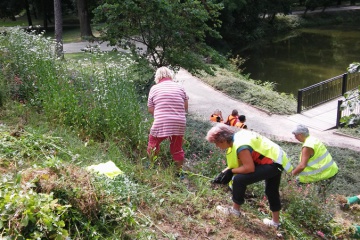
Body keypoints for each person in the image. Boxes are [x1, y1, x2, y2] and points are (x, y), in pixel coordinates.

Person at [206, 123, 293, 228]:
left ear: (223, 140)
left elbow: (249, 168)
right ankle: (275, 223)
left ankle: (235, 211)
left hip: (272, 163)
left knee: (239, 180)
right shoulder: (237, 137)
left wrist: (231, 172)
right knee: (271, 191)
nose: (217, 146)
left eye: (216, 143)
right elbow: (238, 163)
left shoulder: (241, 147)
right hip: (277, 159)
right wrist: (223, 173)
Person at [147, 66, 189, 172]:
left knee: (153, 143)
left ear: (157, 77)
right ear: (170, 75)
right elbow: (185, 107)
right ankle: (179, 172)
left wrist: (161, 114)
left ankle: (152, 167)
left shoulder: (154, 88)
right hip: (179, 121)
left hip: (162, 120)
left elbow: (150, 109)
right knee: (177, 147)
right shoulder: (180, 87)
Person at [291, 124, 339, 199]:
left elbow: (302, 166)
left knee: (317, 197)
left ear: (300, 135)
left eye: (295, 135)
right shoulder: (312, 140)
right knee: (320, 195)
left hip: (325, 174)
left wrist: (292, 174)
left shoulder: (307, 146)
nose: (295, 137)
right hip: (330, 171)